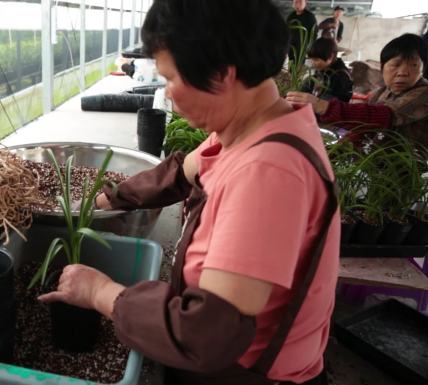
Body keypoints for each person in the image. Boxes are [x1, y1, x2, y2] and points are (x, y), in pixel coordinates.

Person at [39, 1, 340, 385]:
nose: (166, 95)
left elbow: (206, 333)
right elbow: (183, 171)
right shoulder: (255, 126)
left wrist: (101, 293)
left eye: (169, 78)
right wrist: (106, 200)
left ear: (220, 74)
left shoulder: (267, 171)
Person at [287, 34, 428, 147]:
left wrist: (324, 107)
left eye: (414, 66)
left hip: (405, 171)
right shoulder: (381, 93)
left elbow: (385, 116)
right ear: (382, 67)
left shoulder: (423, 93)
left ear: (423, 70)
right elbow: (364, 126)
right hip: (376, 159)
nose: (403, 72)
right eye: (396, 65)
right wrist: (342, 147)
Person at [301, 38, 353, 102]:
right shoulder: (323, 70)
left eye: (316, 60)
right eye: (311, 59)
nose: (313, 63)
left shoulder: (341, 76)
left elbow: (328, 103)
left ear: (330, 56)